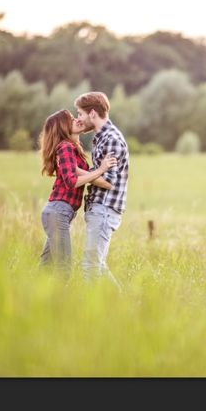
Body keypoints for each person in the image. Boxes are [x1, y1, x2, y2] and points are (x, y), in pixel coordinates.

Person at [37, 109, 116, 271]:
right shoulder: (65, 147)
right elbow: (71, 182)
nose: (77, 120)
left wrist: (102, 180)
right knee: (63, 267)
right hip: (58, 212)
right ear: (63, 127)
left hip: (58, 212)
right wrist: (100, 170)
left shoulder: (72, 148)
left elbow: (77, 173)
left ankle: (31, 294)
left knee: (46, 266)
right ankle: (59, 296)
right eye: (71, 120)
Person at [74, 92, 130, 285]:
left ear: (92, 114)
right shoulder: (101, 137)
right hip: (99, 208)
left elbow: (108, 182)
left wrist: (77, 172)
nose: (78, 118)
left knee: (91, 266)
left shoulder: (111, 138)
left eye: (80, 113)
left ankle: (94, 312)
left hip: (105, 209)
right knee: (98, 265)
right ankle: (125, 305)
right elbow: (101, 173)